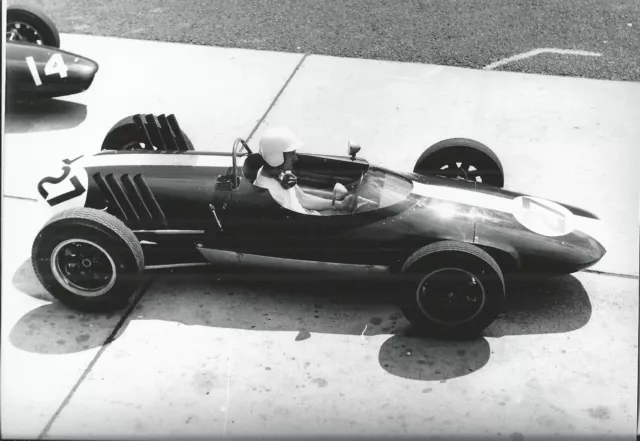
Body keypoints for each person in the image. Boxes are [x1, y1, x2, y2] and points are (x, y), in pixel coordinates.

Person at [253, 127, 354, 215]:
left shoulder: (279, 171)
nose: (295, 158)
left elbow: (302, 198)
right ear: (277, 157)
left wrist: (338, 205)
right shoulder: (271, 194)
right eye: (292, 154)